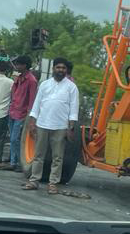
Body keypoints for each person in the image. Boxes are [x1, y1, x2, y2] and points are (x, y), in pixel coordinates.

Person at [22, 57, 79, 194]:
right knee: (38, 155)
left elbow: (74, 109)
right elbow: (37, 104)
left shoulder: (72, 87)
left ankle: (53, 183)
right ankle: (34, 180)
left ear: (66, 71)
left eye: (63, 68)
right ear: (53, 69)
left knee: (57, 157)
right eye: (58, 67)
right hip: (42, 124)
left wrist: (71, 128)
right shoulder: (45, 84)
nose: (61, 70)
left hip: (60, 127)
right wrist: (32, 122)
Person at [0, 55, 37, 172]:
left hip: (22, 114)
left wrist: (29, 117)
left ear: (24, 65)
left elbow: (32, 100)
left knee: (16, 139)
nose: (16, 66)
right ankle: (13, 160)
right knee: (13, 138)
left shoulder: (31, 81)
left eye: (18, 64)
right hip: (13, 111)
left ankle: (15, 163)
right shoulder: (19, 78)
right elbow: (14, 95)